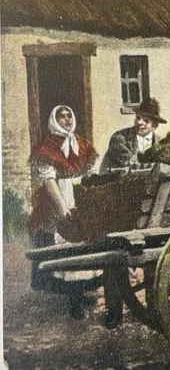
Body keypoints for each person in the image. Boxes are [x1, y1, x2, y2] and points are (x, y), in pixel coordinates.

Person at [29, 105, 100, 319]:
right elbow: (49, 182)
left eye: (70, 115)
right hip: (60, 197)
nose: (67, 119)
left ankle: (83, 291)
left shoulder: (81, 142)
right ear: (54, 120)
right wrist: (63, 210)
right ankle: (74, 301)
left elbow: (91, 171)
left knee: (86, 245)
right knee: (68, 246)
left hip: (81, 195)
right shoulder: (48, 146)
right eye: (62, 116)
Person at [99, 98, 167, 172]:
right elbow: (130, 163)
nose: (140, 122)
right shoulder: (120, 138)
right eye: (138, 118)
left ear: (154, 126)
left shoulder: (160, 143)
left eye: (146, 121)